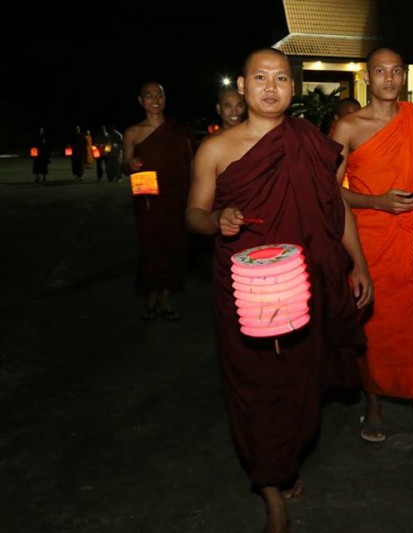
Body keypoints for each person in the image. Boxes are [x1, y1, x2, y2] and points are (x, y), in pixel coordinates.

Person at [186, 48, 372, 533]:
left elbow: (336, 208)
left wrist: (359, 262)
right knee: (255, 387)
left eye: (281, 79)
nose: (271, 87)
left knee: (300, 385)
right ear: (242, 86)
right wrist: (216, 219)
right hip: (245, 293)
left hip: (302, 286)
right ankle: (271, 489)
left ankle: (285, 462)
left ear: (293, 88)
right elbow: (193, 214)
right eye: (260, 78)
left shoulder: (308, 140)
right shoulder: (216, 149)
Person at [331, 46, 413, 457]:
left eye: (396, 70)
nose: (389, 78)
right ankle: (373, 408)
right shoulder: (348, 128)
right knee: (376, 327)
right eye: (380, 71)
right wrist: (377, 202)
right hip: (370, 242)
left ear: (404, 77)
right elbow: (328, 193)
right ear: (366, 77)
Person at [123, 81, 194, 320]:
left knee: (174, 246)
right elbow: (125, 165)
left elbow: (191, 165)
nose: (155, 99)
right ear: (140, 101)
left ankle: (165, 297)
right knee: (151, 247)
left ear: (165, 98)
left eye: (159, 95)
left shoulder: (179, 131)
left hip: (177, 197)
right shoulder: (133, 132)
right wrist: (130, 165)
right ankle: (152, 294)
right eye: (149, 95)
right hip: (148, 200)